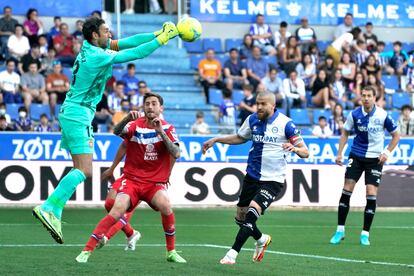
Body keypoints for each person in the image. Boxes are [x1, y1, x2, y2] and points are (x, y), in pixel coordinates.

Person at [32, 16, 180, 244]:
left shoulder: (92, 47)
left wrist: (155, 33)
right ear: (95, 35)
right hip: (78, 113)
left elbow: (126, 43)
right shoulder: (97, 56)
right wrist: (163, 40)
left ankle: (55, 211)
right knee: (84, 169)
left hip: (74, 111)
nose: (110, 34)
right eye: (106, 31)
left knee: (79, 168)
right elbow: (136, 54)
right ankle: (49, 206)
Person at [76, 92, 186, 263]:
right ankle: (86, 250)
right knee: (116, 208)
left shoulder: (168, 128)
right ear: (143, 107)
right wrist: (127, 118)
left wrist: (160, 132)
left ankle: (171, 252)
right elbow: (116, 131)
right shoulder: (135, 125)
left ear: (161, 108)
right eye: (147, 103)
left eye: (154, 103)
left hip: (153, 184)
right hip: (132, 180)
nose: (150, 106)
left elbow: (176, 153)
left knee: (166, 206)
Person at [202, 91, 309, 264]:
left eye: (262, 104)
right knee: (241, 218)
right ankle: (261, 239)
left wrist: (295, 149)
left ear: (272, 106)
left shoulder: (286, 124)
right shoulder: (252, 119)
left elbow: (305, 152)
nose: (258, 107)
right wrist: (217, 139)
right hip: (252, 176)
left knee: (252, 212)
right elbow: (240, 137)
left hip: (273, 179)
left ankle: (232, 253)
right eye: (257, 103)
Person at [330, 86, 400, 246]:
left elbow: (396, 135)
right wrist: (339, 153)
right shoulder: (354, 114)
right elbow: (345, 133)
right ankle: (340, 230)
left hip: (375, 159)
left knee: (371, 192)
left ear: (375, 98)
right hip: (356, 155)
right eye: (363, 95)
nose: (366, 98)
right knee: (347, 188)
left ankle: (365, 234)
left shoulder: (383, 115)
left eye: (369, 95)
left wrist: (386, 152)